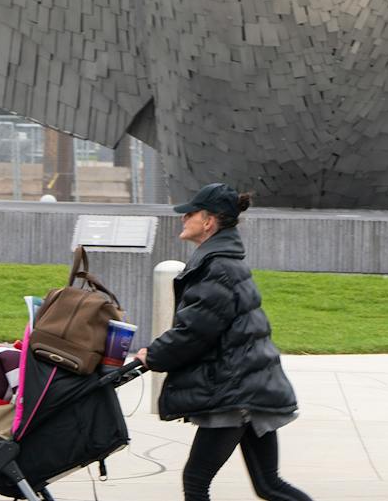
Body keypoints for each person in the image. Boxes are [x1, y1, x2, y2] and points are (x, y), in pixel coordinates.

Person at [133, 182, 313, 501]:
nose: (182, 218)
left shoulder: (217, 268)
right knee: (269, 484)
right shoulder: (222, 261)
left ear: (208, 221)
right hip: (249, 385)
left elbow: (195, 331)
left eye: (189, 213)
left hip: (236, 391)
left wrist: (152, 355)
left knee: (197, 480)